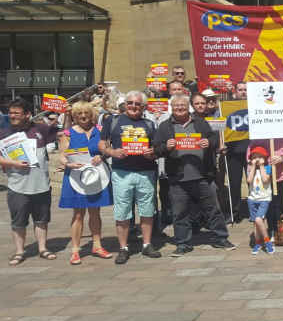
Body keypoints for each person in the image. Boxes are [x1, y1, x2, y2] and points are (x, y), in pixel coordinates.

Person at [153, 95, 235, 256]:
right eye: (176, 106)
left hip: (203, 175)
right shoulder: (164, 127)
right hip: (178, 177)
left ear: (188, 107)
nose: (179, 108)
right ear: (171, 107)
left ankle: (221, 238)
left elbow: (213, 138)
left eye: (182, 105)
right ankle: (183, 243)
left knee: (213, 208)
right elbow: (156, 149)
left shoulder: (200, 122)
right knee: (180, 212)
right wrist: (166, 147)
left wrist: (209, 143)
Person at [99, 90, 161, 264]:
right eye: (130, 103)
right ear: (125, 104)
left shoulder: (149, 124)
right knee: (122, 211)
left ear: (143, 107)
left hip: (145, 172)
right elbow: (102, 143)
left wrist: (152, 153)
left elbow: (156, 148)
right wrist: (112, 152)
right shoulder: (113, 121)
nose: (134, 106)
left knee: (147, 210)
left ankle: (147, 244)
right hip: (121, 172)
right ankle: (123, 247)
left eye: (138, 104)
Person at [1, 98, 60, 266]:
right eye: (11, 113)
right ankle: (20, 251)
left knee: (42, 220)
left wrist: (67, 114)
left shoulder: (40, 129)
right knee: (18, 221)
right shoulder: (4, 133)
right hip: (17, 186)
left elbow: (62, 132)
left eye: (16, 113)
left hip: (41, 185)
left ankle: (43, 248)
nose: (12, 116)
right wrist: (13, 163)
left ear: (27, 114)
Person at [58, 101, 113, 265]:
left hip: (97, 177)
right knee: (78, 214)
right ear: (74, 116)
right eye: (79, 114)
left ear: (92, 115)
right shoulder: (67, 133)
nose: (83, 117)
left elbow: (108, 149)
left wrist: (102, 156)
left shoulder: (101, 131)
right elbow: (62, 155)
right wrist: (67, 164)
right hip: (75, 177)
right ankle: (75, 250)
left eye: (86, 114)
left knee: (95, 212)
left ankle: (97, 245)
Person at [224, 81, 249, 223]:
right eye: (240, 89)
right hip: (233, 151)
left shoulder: (254, 105)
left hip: (251, 151)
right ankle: (235, 212)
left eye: (245, 89)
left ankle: (255, 211)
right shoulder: (227, 106)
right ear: (235, 91)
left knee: (254, 182)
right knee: (234, 183)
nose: (243, 92)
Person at [246, 146, 273, 254]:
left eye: (259, 157)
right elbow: (249, 180)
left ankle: (267, 242)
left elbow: (265, 180)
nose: (257, 159)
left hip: (264, 199)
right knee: (256, 223)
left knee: (258, 219)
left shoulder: (267, 168)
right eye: (254, 157)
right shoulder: (250, 169)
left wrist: (262, 166)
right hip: (252, 199)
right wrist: (252, 167)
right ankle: (257, 242)